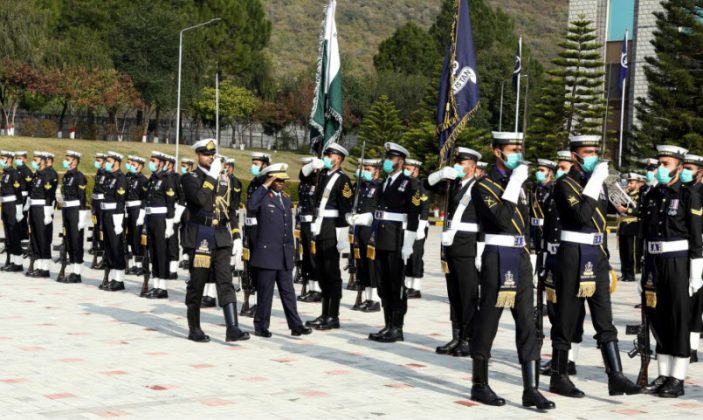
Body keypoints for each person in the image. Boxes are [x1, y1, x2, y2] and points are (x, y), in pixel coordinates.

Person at [550, 135, 640, 398]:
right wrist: (595, 182)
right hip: (572, 255)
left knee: (604, 318)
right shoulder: (563, 184)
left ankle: (616, 375)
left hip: (598, 254)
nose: (592, 156)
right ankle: (559, 375)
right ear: (574, 155)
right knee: (567, 317)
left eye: (594, 151)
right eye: (586, 152)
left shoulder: (601, 181)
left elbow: (624, 206)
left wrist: (619, 198)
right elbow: (580, 215)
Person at [469, 132, 554, 410]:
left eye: (519, 148)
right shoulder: (483, 186)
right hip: (497, 256)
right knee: (489, 320)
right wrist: (515, 182)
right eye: (512, 149)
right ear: (497, 152)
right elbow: (501, 219)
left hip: (520, 255)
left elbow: (526, 224)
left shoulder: (521, 185)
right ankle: (479, 384)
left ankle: (531, 389)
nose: (517, 153)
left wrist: (530, 253)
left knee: (527, 323)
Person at [640, 146, 702, 397]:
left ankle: (677, 378)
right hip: (655, 261)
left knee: (678, 320)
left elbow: (696, 237)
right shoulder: (653, 194)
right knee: (658, 318)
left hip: (678, 262)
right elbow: (645, 234)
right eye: (659, 164)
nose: (660, 169)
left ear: (678, 165)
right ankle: (663, 373)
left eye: (665, 164)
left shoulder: (688, 196)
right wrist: (644, 271)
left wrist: (695, 273)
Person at [181, 139, 249, 342]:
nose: (210, 157)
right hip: (200, 234)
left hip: (220, 235)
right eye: (206, 154)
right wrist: (211, 176)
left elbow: (230, 210)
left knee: (225, 282)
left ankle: (233, 328)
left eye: (212, 154)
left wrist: (236, 235)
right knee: (197, 283)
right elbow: (201, 199)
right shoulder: (189, 178)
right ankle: (194, 328)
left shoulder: (224, 179)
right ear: (197, 156)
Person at [425, 147, 482, 358]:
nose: (459, 165)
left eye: (463, 162)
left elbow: (485, 221)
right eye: (457, 161)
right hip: (450, 247)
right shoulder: (452, 185)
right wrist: (440, 174)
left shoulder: (478, 188)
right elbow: (426, 184)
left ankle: (469, 338)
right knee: (454, 294)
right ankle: (457, 335)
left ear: (473, 166)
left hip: (468, 247)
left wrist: (481, 251)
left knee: (468, 296)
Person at [247, 165, 313, 337]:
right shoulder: (261, 197)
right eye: (277, 180)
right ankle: (261, 326)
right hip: (267, 254)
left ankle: (296, 325)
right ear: (270, 179)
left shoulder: (285, 198)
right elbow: (251, 206)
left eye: (283, 180)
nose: (281, 183)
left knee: (288, 293)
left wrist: (292, 252)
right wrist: (264, 186)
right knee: (265, 293)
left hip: (283, 255)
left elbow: (287, 227)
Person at [366, 143, 420, 343]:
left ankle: (397, 326)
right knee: (383, 285)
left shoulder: (409, 183)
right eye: (387, 157)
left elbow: (413, 216)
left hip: (397, 240)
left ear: (401, 161)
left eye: (392, 158)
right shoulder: (384, 182)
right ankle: (387, 324)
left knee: (396, 285)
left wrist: (409, 242)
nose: (388, 161)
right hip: (381, 239)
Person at [540, 151, 584, 376]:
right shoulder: (551, 192)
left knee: (572, 311)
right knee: (556, 310)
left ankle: (570, 359)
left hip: (572, 256)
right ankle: (557, 357)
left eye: (565, 168)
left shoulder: (581, 192)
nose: (560, 172)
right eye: (559, 167)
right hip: (553, 256)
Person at [304, 144, 352, 331]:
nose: (326, 157)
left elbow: (345, 209)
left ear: (338, 158)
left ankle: (333, 315)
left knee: (332, 273)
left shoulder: (343, 180)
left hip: (332, 229)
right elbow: (302, 176)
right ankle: (324, 313)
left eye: (330, 154)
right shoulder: (323, 175)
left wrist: (342, 236)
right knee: (322, 272)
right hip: (320, 227)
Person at [141, 151, 177, 298]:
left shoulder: (166, 179)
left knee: (161, 253)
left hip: (161, 220)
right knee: (153, 252)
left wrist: (169, 224)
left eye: (154, 161)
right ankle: (156, 285)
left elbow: (170, 204)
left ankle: (163, 287)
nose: (151, 163)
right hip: (151, 219)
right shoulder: (152, 179)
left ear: (161, 163)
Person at [348, 159, 382, 312]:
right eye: (363, 168)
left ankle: (374, 299)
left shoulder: (380, 187)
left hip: (372, 231)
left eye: (368, 169)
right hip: (359, 230)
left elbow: (381, 211)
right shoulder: (360, 186)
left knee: (372, 265)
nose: (364, 171)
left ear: (376, 171)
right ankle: (367, 297)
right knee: (361, 264)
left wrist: (368, 217)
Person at [241, 152, 271, 317]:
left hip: (262, 230)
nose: (254, 165)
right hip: (251, 229)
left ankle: (261, 304)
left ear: (265, 165)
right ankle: (253, 302)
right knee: (251, 268)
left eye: (257, 163)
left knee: (261, 269)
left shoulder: (267, 183)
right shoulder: (254, 182)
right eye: (253, 162)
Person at [681, 154, 703, 362]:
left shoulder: (699, 193)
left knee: (696, 301)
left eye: (690, 168)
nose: (685, 171)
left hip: (699, 250)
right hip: (683, 250)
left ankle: (693, 347)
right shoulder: (681, 191)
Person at [57, 151, 88, 283]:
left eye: (68, 159)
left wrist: (82, 216)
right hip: (67, 210)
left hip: (76, 211)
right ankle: (73, 269)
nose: (66, 161)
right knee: (69, 241)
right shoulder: (66, 176)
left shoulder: (79, 177)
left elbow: (82, 197)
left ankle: (77, 272)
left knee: (76, 241)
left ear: (74, 161)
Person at [99, 152, 128, 292]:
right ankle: (111, 277)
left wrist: (118, 221)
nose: (106, 163)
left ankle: (119, 279)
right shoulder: (109, 177)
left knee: (117, 247)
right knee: (109, 247)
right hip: (106, 214)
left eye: (109, 160)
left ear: (116, 162)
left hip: (115, 216)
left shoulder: (121, 179)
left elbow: (121, 202)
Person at [25, 151, 57, 278]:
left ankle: (45, 268)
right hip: (34, 207)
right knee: (35, 237)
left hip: (42, 208)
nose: (34, 161)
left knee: (43, 238)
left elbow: (49, 195)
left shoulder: (47, 175)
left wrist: (48, 212)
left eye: (36, 159)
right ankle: (38, 266)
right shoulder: (37, 175)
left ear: (43, 161)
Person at [296, 156, 322, 303]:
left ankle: (317, 289)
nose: (304, 168)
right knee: (306, 256)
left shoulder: (317, 182)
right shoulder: (303, 182)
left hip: (313, 223)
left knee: (314, 257)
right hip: (304, 223)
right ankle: (311, 287)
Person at [403, 159, 429, 299]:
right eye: (405, 167)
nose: (406, 170)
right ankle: (407, 285)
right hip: (406, 224)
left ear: (416, 170)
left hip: (419, 224)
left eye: (409, 168)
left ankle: (416, 287)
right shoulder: (404, 184)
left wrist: (421, 227)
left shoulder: (421, 186)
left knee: (416, 257)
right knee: (406, 256)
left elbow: (425, 207)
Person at [615, 173, 645, 282]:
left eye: (631, 182)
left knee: (630, 252)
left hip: (632, 225)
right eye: (628, 182)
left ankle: (631, 274)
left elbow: (640, 211)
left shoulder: (640, 195)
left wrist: (627, 210)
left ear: (637, 184)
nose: (629, 184)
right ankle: (624, 273)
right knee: (623, 252)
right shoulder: (625, 194)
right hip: (623, 225)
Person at [0, 151, 26, 272]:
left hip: (12, 205)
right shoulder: (5, 173)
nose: (1, 160)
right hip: (5, 205)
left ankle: (18, 262)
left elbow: (18, 193)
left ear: (9, 159)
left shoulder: (14, 173)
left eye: (3, 158)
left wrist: (19, 210)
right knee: (8, 234)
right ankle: (11, 260)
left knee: (14, 233)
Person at [124, 156, 148, 276]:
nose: (132, 166)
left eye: (135, 164)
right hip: (127, 208)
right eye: (131, 164)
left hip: (137, 210)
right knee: (129, 238)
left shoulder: (143, 180)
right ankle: (133, 263)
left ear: (141, 166)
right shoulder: (127, 177)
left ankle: (139, 265)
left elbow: (145, 199)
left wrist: (141, 214)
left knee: (137, 238)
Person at [90, 153, 108, 269]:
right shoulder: (99, 172)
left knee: (102, 228)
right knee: (96, 228)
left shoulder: (107, 173)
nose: (97, 162)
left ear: (104, 162)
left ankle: (104, 256)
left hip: (102, 203)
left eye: (99, 160)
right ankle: (97, 250)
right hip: (96, 203)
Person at [14, 151, 33, 256]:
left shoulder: (27, 171)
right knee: (17, 219)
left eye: (20, 158)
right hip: (17, 196)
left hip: (24, 196)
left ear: (25, 159)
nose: (18, 160)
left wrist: (28, 201)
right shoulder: (17, 170)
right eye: (17, 158)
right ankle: (19, 240)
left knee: (22, 219)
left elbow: (30, 186)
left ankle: (25, 241)